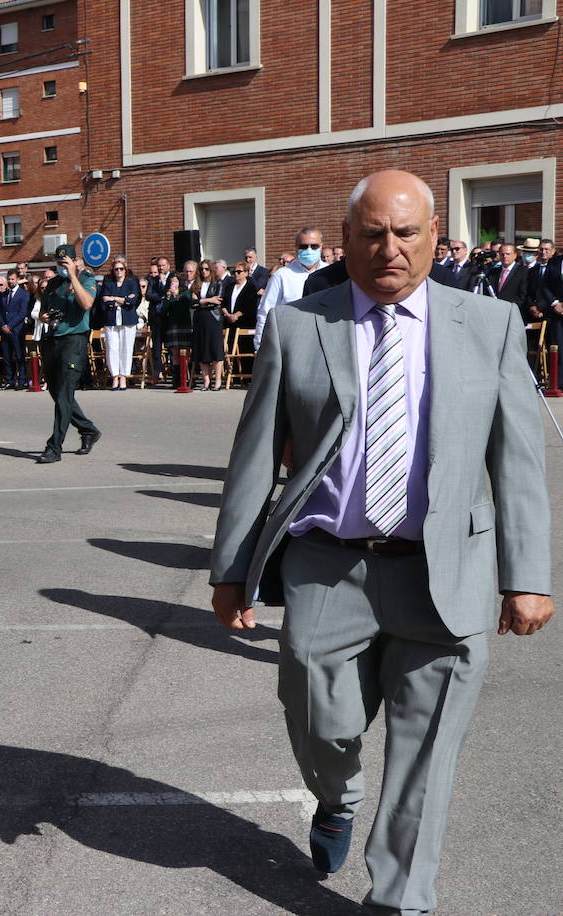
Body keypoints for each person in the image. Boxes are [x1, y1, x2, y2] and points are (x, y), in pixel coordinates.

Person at [210, 170, 552, 914]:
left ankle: (400, 899)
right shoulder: (303, 324)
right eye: (372, 234)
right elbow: (254, 454)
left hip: (447, 572)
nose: (389, 249)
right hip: (329, 566)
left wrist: (528, 574)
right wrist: (231, 571)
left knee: (426, 761)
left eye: (406, 233)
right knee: (318, 720)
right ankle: (336, 796)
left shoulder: (487, 326)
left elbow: (519, 461)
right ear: (346, 242)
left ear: (436, 238)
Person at [35, 244, 101, 463]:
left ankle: (54, 447)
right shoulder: (53, 284)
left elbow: (87, 303)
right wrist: (44, 317)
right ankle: (88, 430)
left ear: (75, 261)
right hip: (53, 340)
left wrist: (73, 275)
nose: (62, 267)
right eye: (59, 263)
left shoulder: (86, 278)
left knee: (64, 394)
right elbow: (44, 310)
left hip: (74, 340)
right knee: (57, 393)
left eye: (66, 262)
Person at [254, 228, 325, 348]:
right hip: (292, 342)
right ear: (296, 247)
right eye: (303, 246)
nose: (309, 250)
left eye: (314, 246)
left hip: (324, 342)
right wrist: (260, 345)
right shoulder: (282, 275)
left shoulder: (330, 274)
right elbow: (266, 311)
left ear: (321, 246)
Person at [96, 257, 141, 390]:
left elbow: (133, 301)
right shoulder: (108, 282)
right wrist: (124, 299)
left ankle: (123, 377)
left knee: (126, 348)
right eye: (116, 269)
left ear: (125, 270)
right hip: (111, 320)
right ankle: (115, 376)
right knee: (112, 348)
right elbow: (104, 300)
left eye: (121, 269)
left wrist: (114, 298)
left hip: (128, 319)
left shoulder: (132, 282)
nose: (119, 271)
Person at [192, 259, 226, 390]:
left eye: (206, 269)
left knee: (215, 350)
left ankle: (217, 381)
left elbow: (216, 301)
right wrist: (207, 300)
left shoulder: (218, 283)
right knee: (202, 350)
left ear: (211, 270)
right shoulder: (197, 285)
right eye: (201, 269)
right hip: (200, 319)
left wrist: (201, 301)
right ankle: (206, 381)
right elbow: (192, 303)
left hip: (213, 319)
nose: (204, 271)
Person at [0, 270, 33, 388]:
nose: (10, 281)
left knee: (19, 356)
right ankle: (9, 380)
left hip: (17, 330)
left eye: (12, 279)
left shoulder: (24, 294)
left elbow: (22, 313)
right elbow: (0, 311)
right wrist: (3, 325)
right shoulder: (4, 294)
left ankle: (22, 380)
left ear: (17, 280)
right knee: (7, 356)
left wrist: (10, 326)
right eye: (9, 279)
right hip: (4, 330)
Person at [145, 256, 174, 383]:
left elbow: (172, 293)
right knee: (156, 346)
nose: (161, 267)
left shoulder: (173, 278)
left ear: (168, 266)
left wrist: (163, 291)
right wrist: (162, 295)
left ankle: (174, 373)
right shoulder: (153, 280)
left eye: (163, 265)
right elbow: (148, 295)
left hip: (169, 317)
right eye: (159, 265)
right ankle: (157, 373)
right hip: (156, 317)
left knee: (171, 347)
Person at [162, 269, 195, 385]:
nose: (173, 284)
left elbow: (186, 305)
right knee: (175, 353)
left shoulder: (185, 292)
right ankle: (177, 380)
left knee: (186, 352)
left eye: (175, 281)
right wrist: (167, 298)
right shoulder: (167, 294)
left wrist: (176, 295)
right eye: (171, 282)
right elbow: (164, 310)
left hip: (184, 324)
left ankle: (187, 379)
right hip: (172, 325)